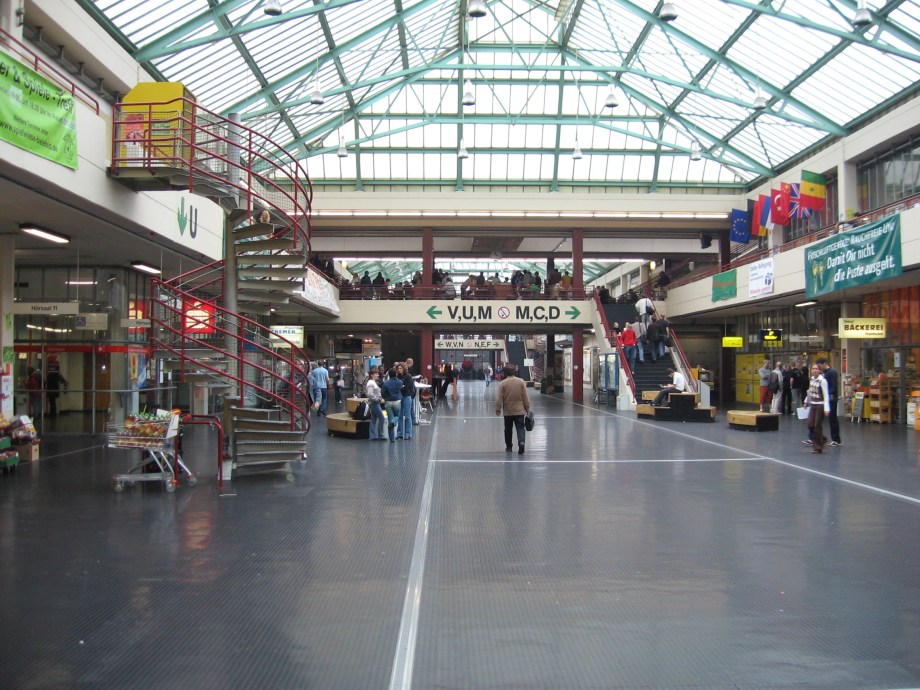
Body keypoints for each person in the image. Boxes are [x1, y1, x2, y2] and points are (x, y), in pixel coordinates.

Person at [494, 364, 531, 455]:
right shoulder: (521, 382)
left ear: (505, 373)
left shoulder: (503, 383)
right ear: (514, 371)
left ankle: (509, 446)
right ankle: (521, 442)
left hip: (508, 411)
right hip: (519, 410)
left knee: (508, 429)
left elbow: (499, 398)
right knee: (520, 428)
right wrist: (527, 408)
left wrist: (498, 409)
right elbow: (525, 397)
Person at [803, 363, 831, 454]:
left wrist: (827, 408)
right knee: (810, 424)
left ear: (819, 370)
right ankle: (821, 439)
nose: (814, 370)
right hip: (813, 404)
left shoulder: (822, 381)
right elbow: (810, 391)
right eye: (813, 368)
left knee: (817, 426)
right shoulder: (812, 380)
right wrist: (806, 401)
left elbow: (826, 395)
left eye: (816, 369)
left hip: (820, 404)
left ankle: (817, 447)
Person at [816, 358, 842, 447]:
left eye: (819, 366)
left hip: (831, 399)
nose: (819, 368)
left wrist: (827, 395)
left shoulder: (832, 372)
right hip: (826, 398)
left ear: (824, 364)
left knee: (832, 419)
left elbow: (834, 386)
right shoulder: (825, 373)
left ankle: (836, 439)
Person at [381, 368, 404, 442]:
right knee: (397, 416)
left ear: (389, 375)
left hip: (388, 402)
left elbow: (383, 393)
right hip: (397, 401)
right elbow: (401, 390)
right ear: (396, 374)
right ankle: (393, 422)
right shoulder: (400, 382)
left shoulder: (386, 383)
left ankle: (392, 439)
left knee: (389, 418)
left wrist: (385, 398)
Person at [365, 369, 386, 440]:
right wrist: (377, 398)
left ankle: (372, 435)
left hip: (373, 402)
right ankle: (381, 435)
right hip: (374, 403)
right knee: (381, 418)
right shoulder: (371, 383)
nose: (378, 375)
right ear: (372, 375)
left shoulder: (371, 382)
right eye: (376, 374)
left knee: (373, 419)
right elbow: (370, 394)